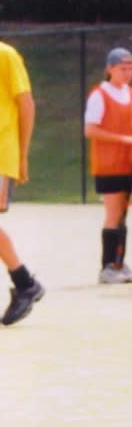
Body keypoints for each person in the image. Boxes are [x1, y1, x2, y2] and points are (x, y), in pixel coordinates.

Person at [84, 47, 132, 284]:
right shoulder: (99, 94)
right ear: (110, 69)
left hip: (130, 163)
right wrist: (124, 139)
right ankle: (108, 265)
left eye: (130, 68)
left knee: (123, 214)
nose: (127, 73)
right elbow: (91, 129)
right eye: (122, 68)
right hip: (109, 164)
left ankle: (119, 262)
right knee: (113, 213)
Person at [0, 40, 44, 326]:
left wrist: (22, 155)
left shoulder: (6, 55)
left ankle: (25, 283)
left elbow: (26, 104)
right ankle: (25, 282)